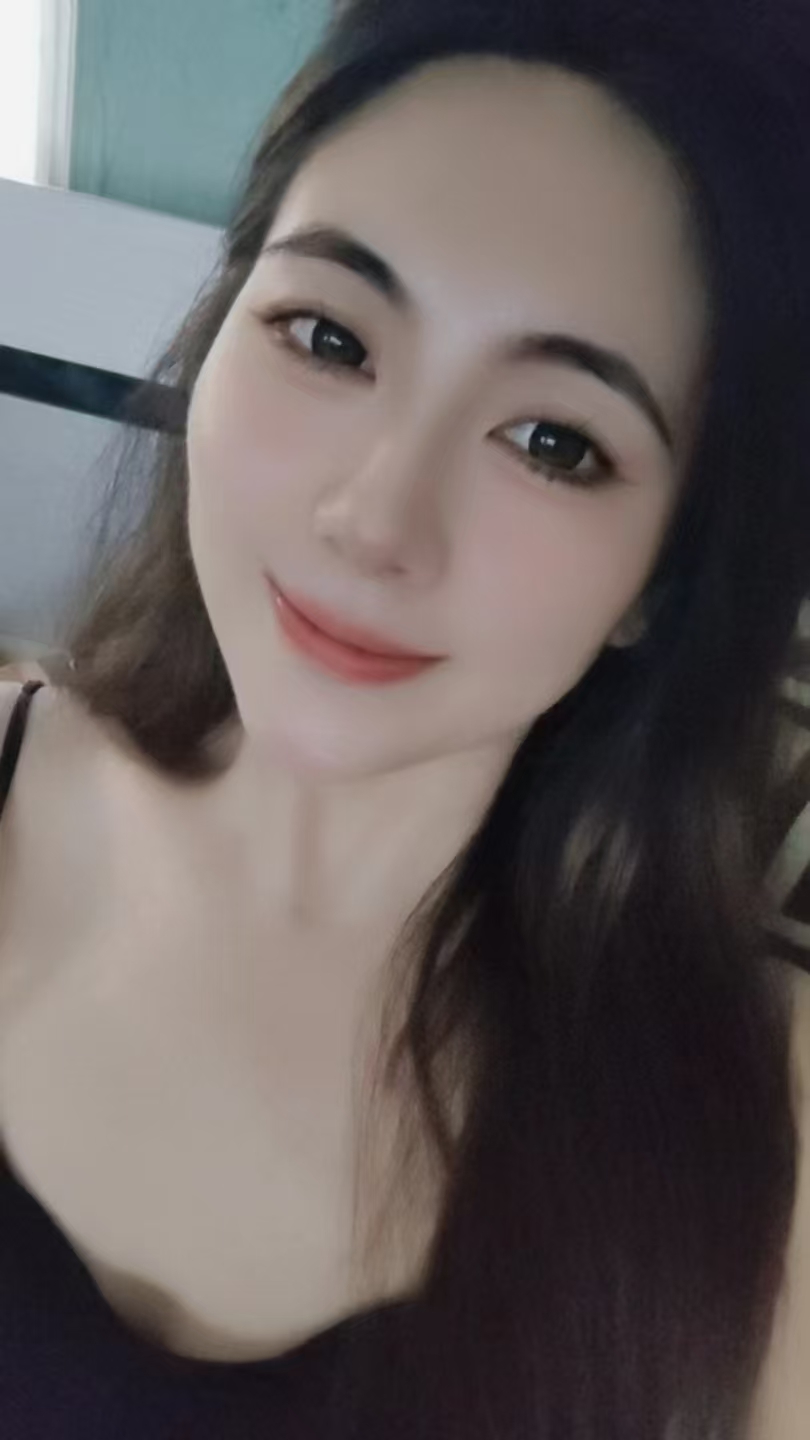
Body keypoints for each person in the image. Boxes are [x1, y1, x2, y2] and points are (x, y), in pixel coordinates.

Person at [2, 0, 810, 1434]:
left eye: (553, 441)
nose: (374, 520)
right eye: (326, 335)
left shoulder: (762, 1125)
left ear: (665, 571)